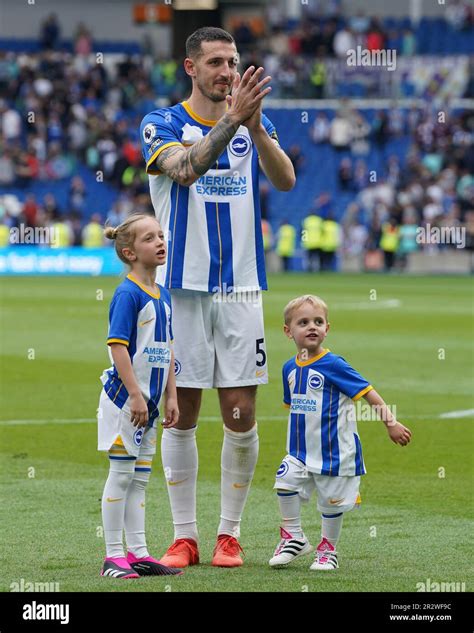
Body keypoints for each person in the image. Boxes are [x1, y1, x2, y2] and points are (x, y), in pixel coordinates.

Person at [140, 26, 295, 568]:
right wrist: (234, 120)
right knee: (180, 413)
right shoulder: (161, 123)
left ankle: (229, 534)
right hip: (180, 287)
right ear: (191, 67)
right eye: (216, 62)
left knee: (240, 411)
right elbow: (185, 170)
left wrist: (258, 128)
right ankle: (185, 536)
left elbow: (286, 180)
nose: (228, 71)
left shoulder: (250, 120)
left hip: (241, 287)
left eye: (232, 61)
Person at [269, 295, 412, 570]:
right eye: (303, 322)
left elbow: (369, 393)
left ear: (327, 328)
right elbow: (295, 407)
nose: (312, 327)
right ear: (288, 331)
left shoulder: (334, 365)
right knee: (285, 481)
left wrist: (391, 423)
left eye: (318, 322)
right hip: (300, 451)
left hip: (335, 451)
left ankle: (328, 550)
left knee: (331, 503)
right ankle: (293, 537)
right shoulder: (289, 368)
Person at [98, 213, 182, 579]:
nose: (160, 242)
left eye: (160, 236)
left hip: (148, 406)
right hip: (125, 403)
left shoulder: (162, 294)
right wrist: (134, 394)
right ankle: (113, 556)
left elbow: (167, 348)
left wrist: (171, 397)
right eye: (150, 239)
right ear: (130, 252)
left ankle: (139, 552)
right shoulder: (127, 293)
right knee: (120, 475)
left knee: (140, 479)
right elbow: (118, 347)